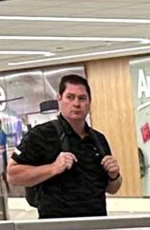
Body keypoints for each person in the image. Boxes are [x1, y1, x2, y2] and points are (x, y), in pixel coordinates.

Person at [8, 72, 122, 219]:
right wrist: (53, 168)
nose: (76, 103)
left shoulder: (98, 139)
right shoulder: (40, 135)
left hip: (96, 225)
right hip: (56, 228)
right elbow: (13, 175)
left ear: (89, 102)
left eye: (82, 98)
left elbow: (113, 188)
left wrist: (114, 175)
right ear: (59, 99)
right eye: (70, 97)